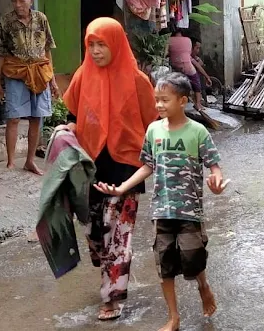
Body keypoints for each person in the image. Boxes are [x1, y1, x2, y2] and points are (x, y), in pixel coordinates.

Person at [93, 72, 227, 331]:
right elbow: (147, 166)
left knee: (193, 258)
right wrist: (121, 188)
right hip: (162, 210)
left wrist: (217, 184)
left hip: (190, 212)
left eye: (165, 100)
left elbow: (215, 167)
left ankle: (204, 286)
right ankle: (173, 317)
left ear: (183, 101)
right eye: (157, 100)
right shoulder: (153, 130)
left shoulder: (198, 132)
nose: (159, 105)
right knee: (164, 263)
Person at [59, 17, 159, 321]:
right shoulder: (82, 75)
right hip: (90, 168)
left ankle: (113, 298)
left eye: (102, 44)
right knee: (95, 231)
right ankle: (109, 271)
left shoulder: (138, 80)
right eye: (91, 44)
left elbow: (154, 124)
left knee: (118, 235)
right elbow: (73, 115)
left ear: (115, 43)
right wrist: (67, 129)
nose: (96, 51)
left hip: (126, 168)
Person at [0, 0, 59, 175]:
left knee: (36, 118)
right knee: (13, 118)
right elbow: (0, 54)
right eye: (14, 1)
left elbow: (47, 51)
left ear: (31, 0)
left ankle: (30, 161)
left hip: (39, 73)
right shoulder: (6, 21)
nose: (18, 5)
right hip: (15, 72)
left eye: (22, 1)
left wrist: (53, 81)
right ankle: (11, 162)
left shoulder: (41, 19)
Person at [167, 29, 208, 111]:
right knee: (197, 84)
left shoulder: (169, 40)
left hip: (175, 68)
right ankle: (198, 104)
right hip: (187, 67)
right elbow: (197, 66)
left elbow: (166, 53)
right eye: (197, 48)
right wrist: (207, 77)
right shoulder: (187, 41)